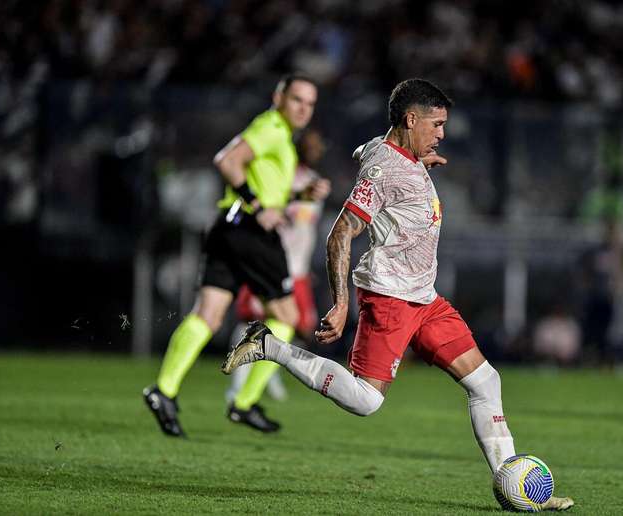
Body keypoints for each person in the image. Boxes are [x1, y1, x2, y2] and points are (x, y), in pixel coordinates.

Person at [222, 78, 574, 510]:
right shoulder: (385, 168)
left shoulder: (396, 155)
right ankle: (269, 346)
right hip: (389, 299)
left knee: (486, 381)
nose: (442, 133)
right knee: (367, 401)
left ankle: (514, 487)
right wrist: (341, 301)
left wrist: (417, 161)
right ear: (411, 119)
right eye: (437, 123)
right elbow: (340, 234)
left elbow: (368, 148)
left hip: (424, 299)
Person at [143, 74, 329, 437]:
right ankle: (244, 402)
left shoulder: (278, 135)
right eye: (296, 100)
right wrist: (259, 206)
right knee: (288, 317)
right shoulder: (271, 127)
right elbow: (228, 161)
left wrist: (296, 196)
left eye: (309, 103)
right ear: (279, 97)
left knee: (208, 315)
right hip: (252, 233)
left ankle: (163, 391)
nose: (303, 109)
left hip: (228, 228)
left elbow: (261, 185)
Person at [226, 129, 329, 410]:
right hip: (271, 262)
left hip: (297, 269)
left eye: (319, 145)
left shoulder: (314, 182)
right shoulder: (282, 176)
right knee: (254, 321)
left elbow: (306, 228)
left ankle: (266, 375)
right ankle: (237, 387)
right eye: (311, 144)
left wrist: (306, 265)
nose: (317, 150)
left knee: (301, 326)